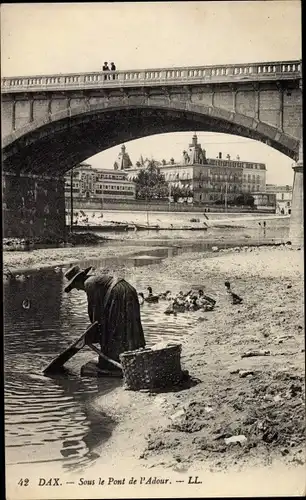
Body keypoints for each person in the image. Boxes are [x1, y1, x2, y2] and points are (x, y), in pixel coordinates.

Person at [64, 266, 146, 371]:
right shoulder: (94, 279)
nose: (78, 289)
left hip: (119, 293)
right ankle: (133, 355)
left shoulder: (89, 283)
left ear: (78, 281)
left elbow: (94, 310)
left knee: (112, 328)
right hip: (128, 290)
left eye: (75, 286)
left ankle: (112, 361)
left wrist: (94, 331)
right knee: (130, 325)